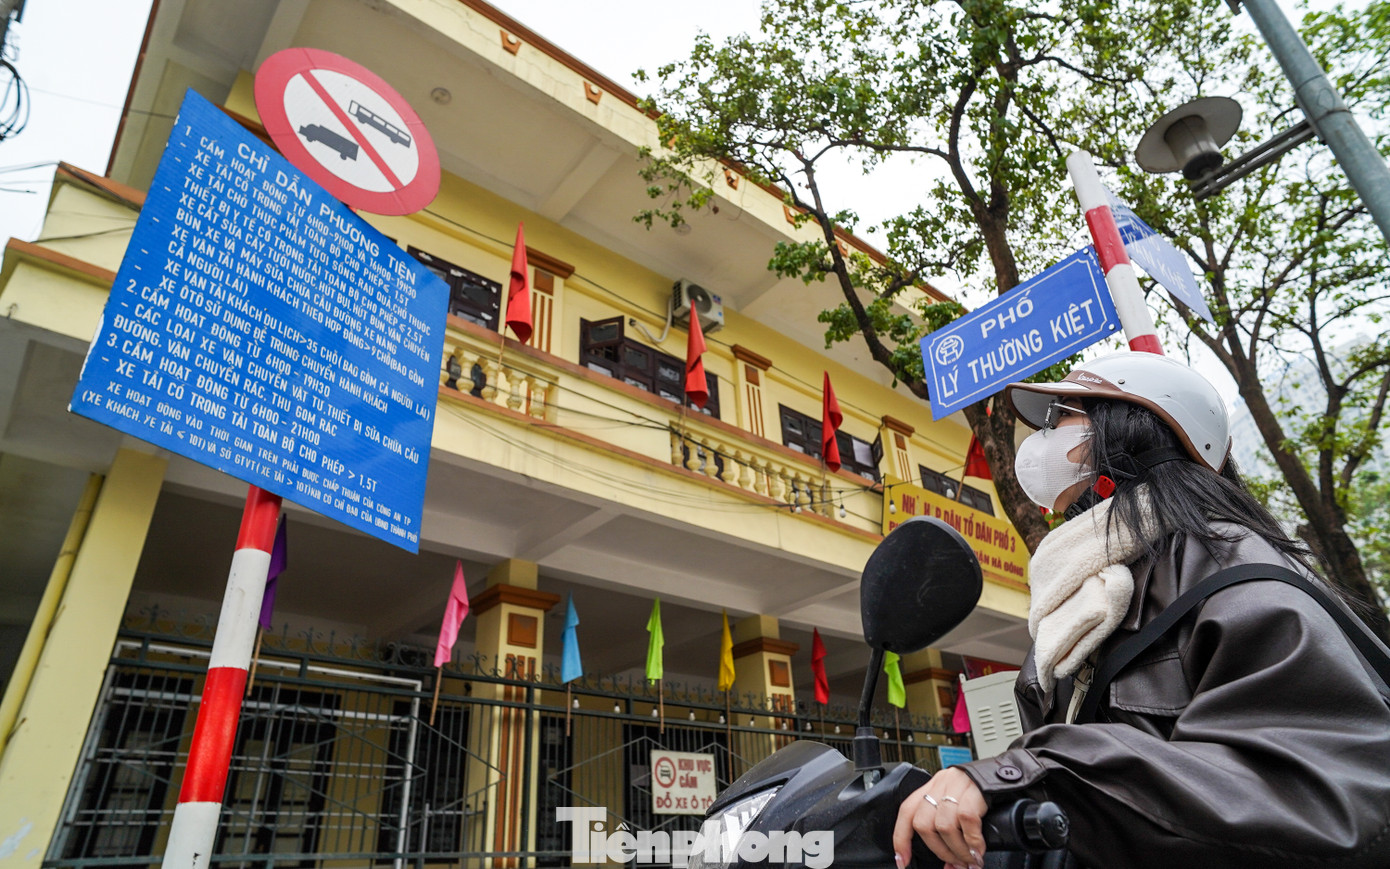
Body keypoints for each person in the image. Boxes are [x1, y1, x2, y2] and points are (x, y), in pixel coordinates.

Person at [892, 352, 1390, 869]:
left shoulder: (1227, 562)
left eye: (1060, 414)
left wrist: (1039, 774)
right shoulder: (1089, 593)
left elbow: (1316, 795)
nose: (1043, 437)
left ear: (1129, 430)